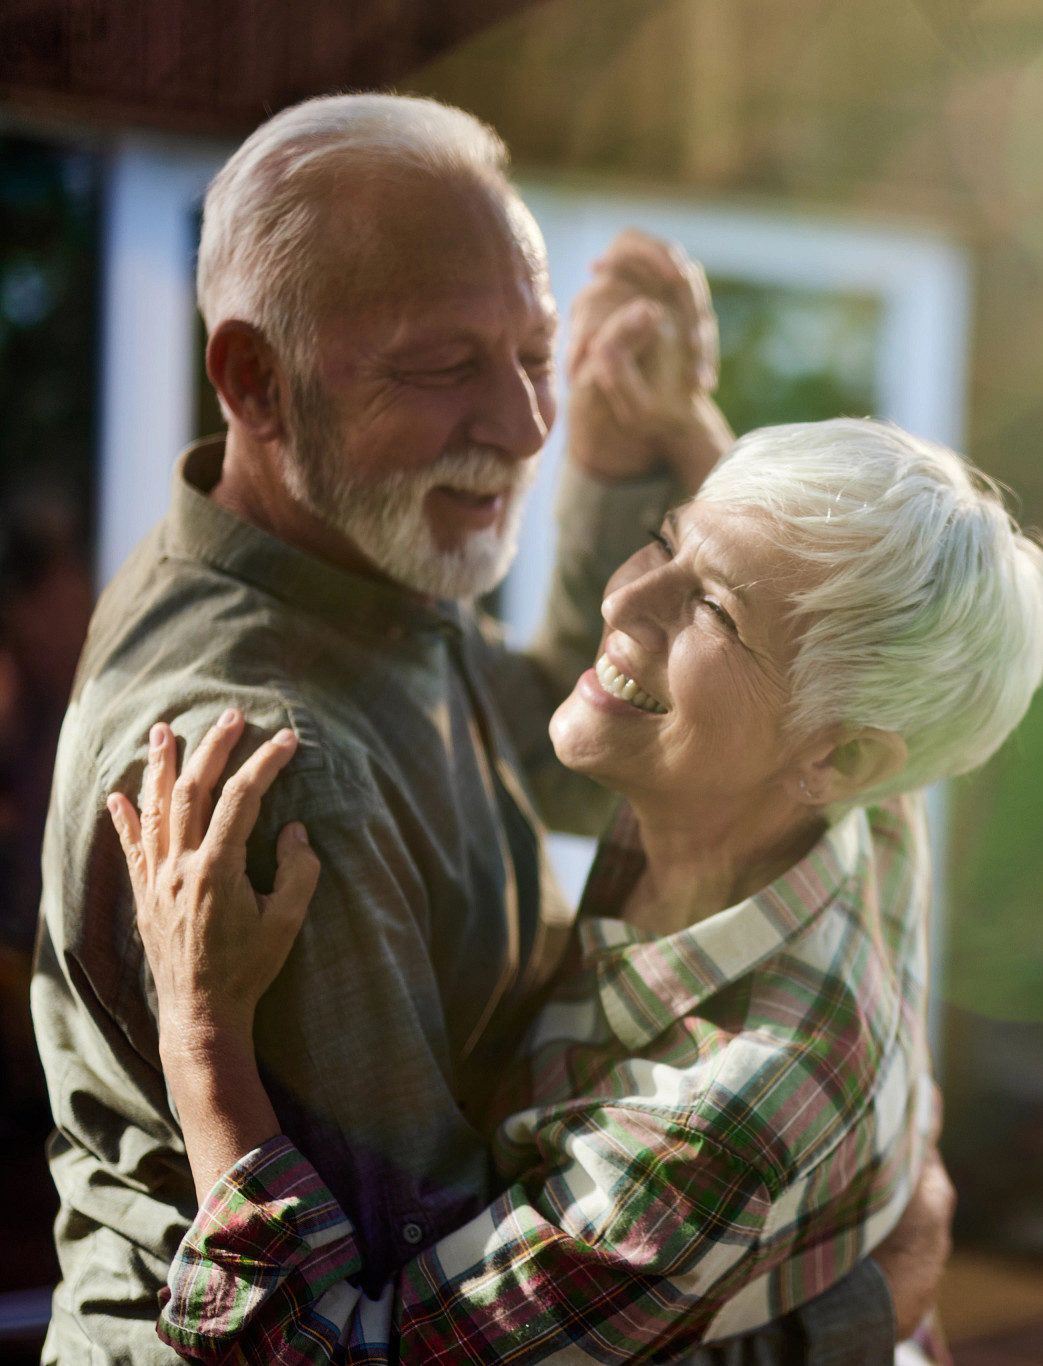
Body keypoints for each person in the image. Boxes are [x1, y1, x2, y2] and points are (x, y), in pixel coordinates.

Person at [30, 93, 946, 1365]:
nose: (524, 425)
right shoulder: (279, 777)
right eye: (444, 365)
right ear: (254, 380)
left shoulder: (338, 571)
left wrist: (636, 458)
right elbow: (420, 1317)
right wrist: (872, 1300)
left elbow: (580, 750)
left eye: (534, 351)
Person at [107, 417, 1043, 1362]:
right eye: (663, 540)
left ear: (839, 755)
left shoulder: (713, 1120)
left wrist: (202, 1032)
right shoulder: (868, 807)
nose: (629, 601)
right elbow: (790, 597)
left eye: (712, 612)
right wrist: (670, 415)